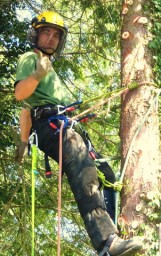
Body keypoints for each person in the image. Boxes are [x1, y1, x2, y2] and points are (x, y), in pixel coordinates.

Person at [14, 11, 142, 256]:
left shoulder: (49, 70)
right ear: (36, 34)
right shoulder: (31, 59)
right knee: (83, 171)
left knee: (106, 173)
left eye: (55, 35)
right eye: (46, 32)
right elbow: (21, 94)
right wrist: (37, 74)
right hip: (51, 126)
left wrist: (22, 140)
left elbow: (25, 108)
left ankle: (113, 236)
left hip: (64, 125)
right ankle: (107, 242)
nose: (51, 38)